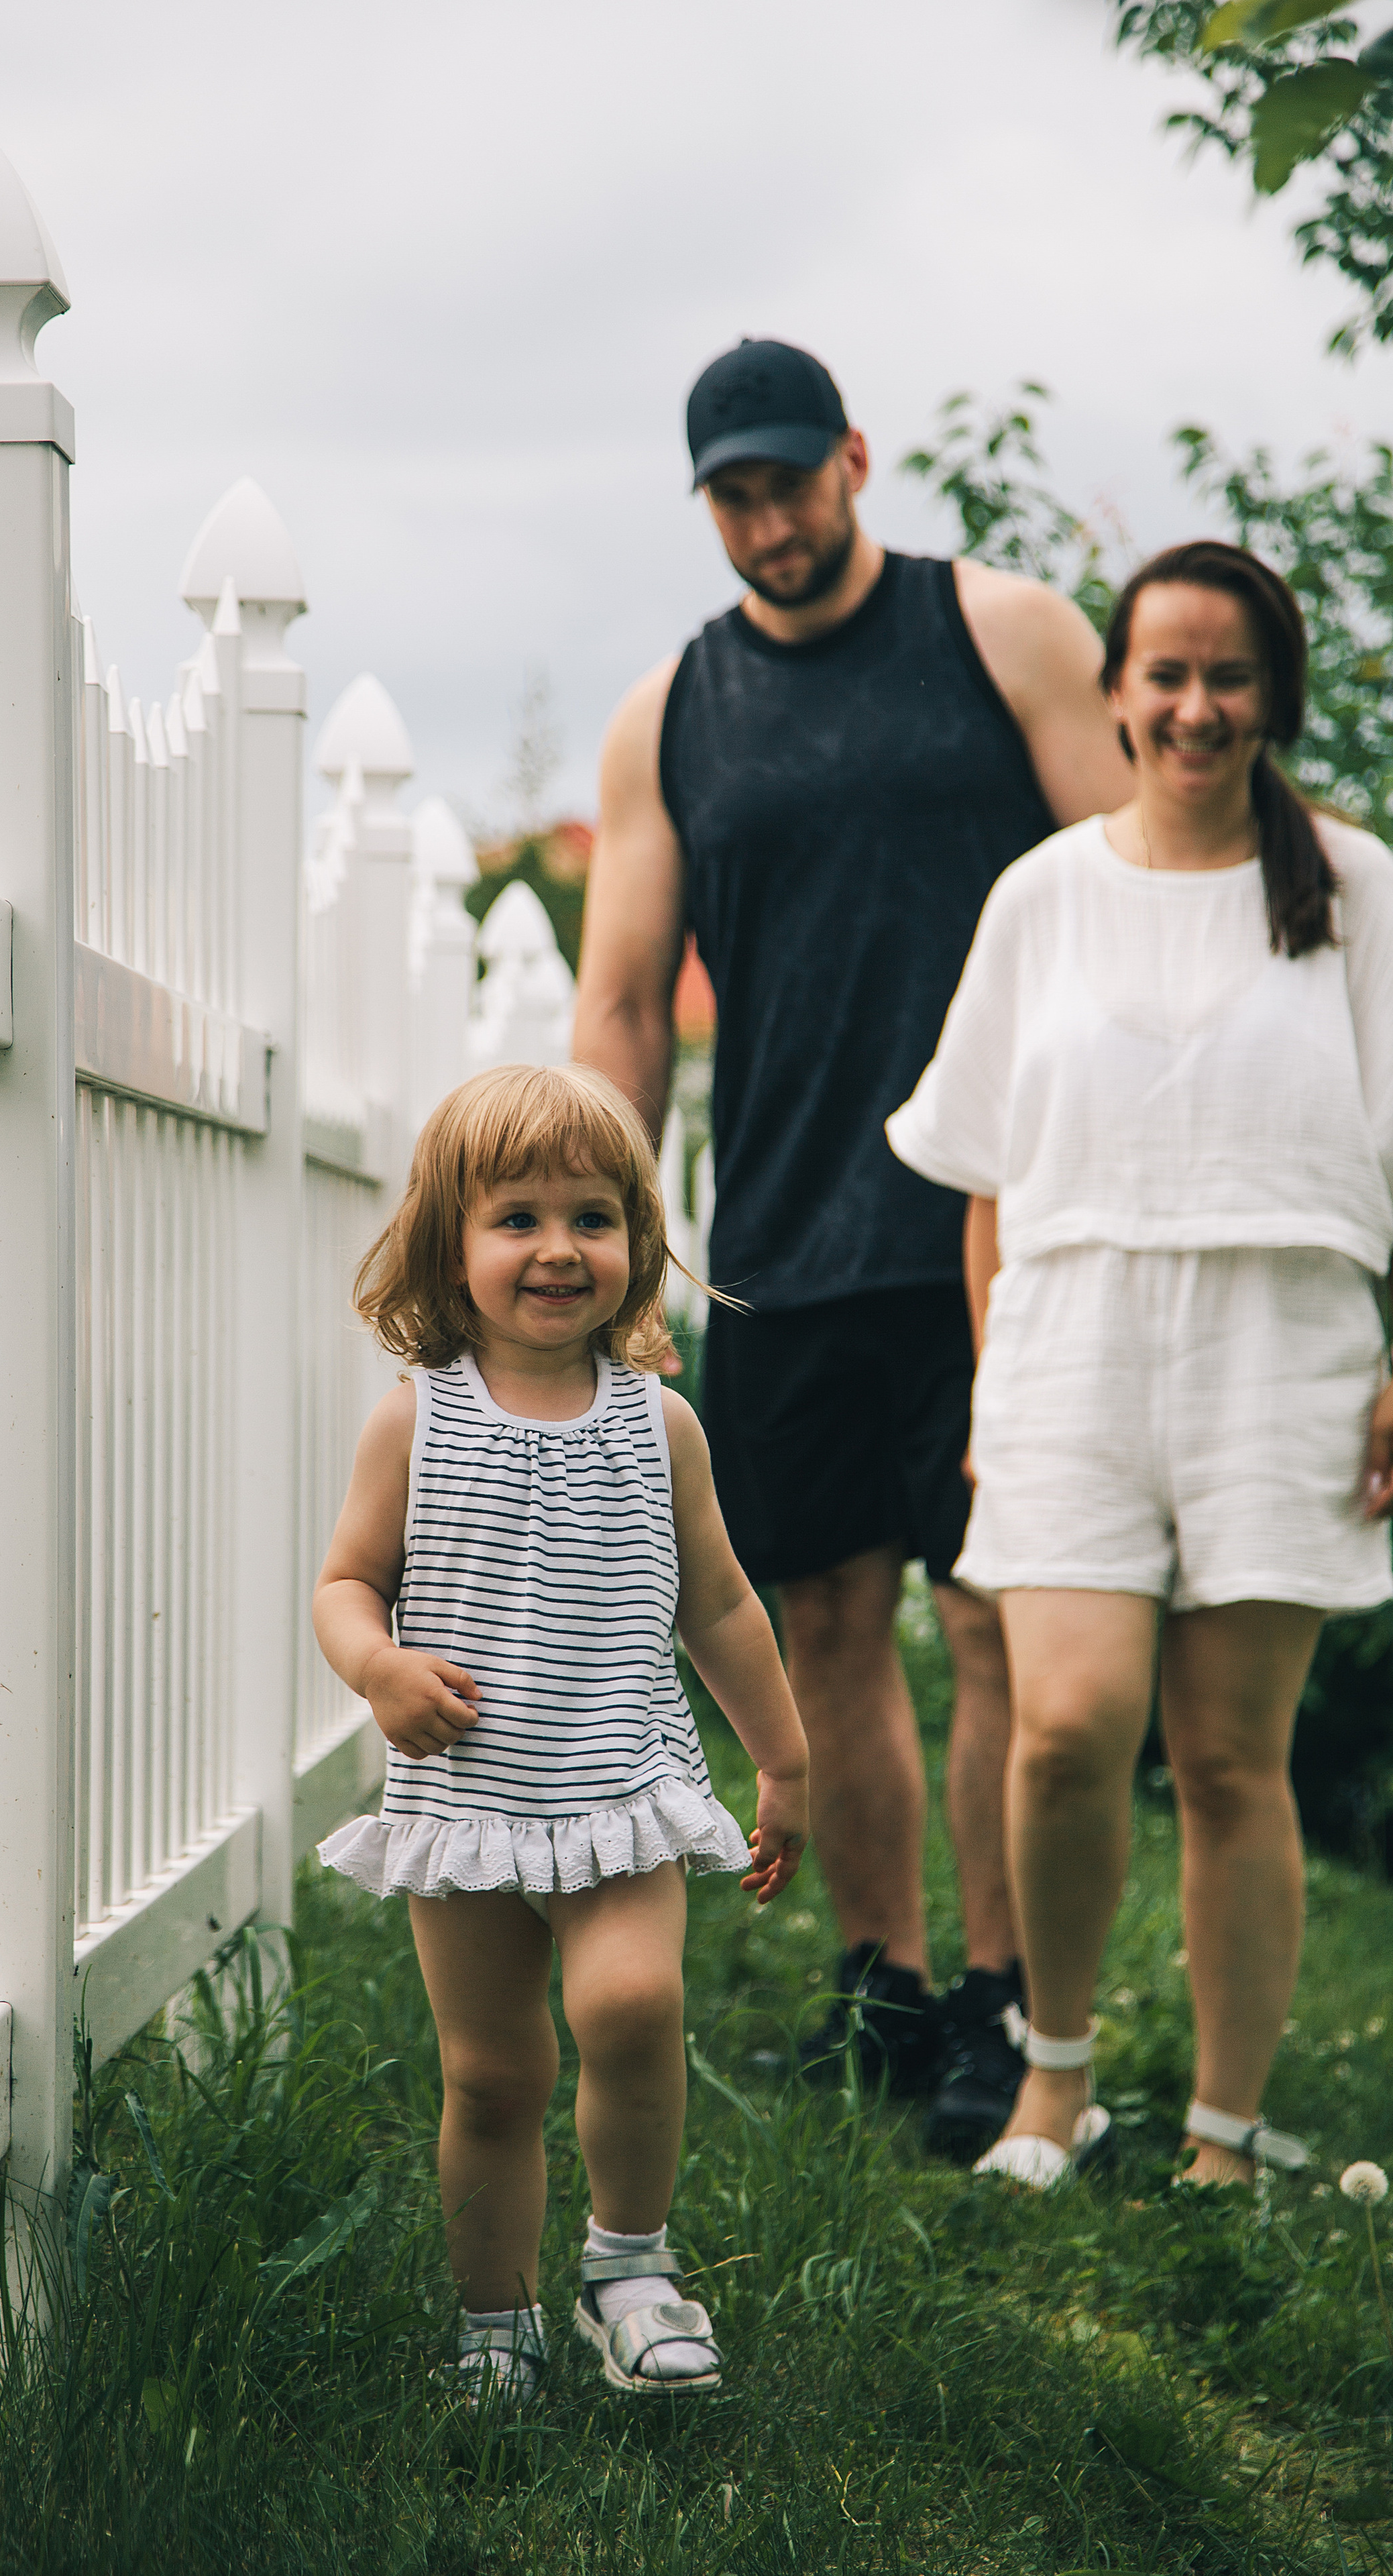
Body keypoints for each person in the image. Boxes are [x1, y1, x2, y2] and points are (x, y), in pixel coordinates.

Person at [572, 335, 1132, 2158]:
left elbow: (1139, 884)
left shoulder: (1008, 632)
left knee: (984, 1620)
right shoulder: (670, 715)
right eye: (733, 492)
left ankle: (1001, 2001)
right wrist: (617, 1236)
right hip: (784, 1240)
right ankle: (882, 1985)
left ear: (855, 463)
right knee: (823, 1617)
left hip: (1000, 1226)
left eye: (790, 480)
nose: (767, 518)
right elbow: (624, 1006)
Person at [887, 540, 1393, 2189]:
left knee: (1237, 1755)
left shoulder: (1359, 888)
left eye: (1226, 674)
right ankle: (1053, 2084)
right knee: (1063, 1730)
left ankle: (1224, 2136)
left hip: (1284, 1349)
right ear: (1112, 693)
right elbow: (979, 1180)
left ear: (1272, 696)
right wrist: (993, 1385)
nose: (1192, 706)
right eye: (1162, 674)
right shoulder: (1041, 894)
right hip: (1068, 1351)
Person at [313, 1063, 810, 2398]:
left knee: (633, 2004)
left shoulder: (660, 1427)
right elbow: (345, 1582)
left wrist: (780, 1757)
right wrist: (377, 1668)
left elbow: (715, 1602)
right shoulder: (416, 1419)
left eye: (590, 1217)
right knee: (491, 2076)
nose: (555, 1248)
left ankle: (628, 2268)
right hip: (468, 1800)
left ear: (638, 1245)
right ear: (449, 1246)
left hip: (619, 1788)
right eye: (516, 1217)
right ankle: (493, 2324)